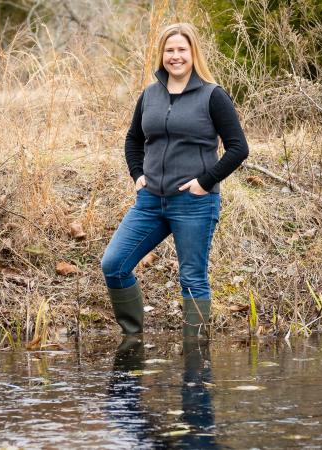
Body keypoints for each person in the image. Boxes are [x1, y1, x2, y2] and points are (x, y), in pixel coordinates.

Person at [101, 22, 249, 338]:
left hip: (194, 203)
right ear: (162, 55)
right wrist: (137, 175)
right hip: (150, 201)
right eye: (170, 50)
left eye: (182, 49)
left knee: (193, 278)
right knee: (114, 265)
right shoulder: (150, 95)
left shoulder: (213, 95)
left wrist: (205, 182)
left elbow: (238, 148)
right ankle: (132, 343)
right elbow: (133, 139)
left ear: (193, 53)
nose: (175, 56)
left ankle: (195, 362)